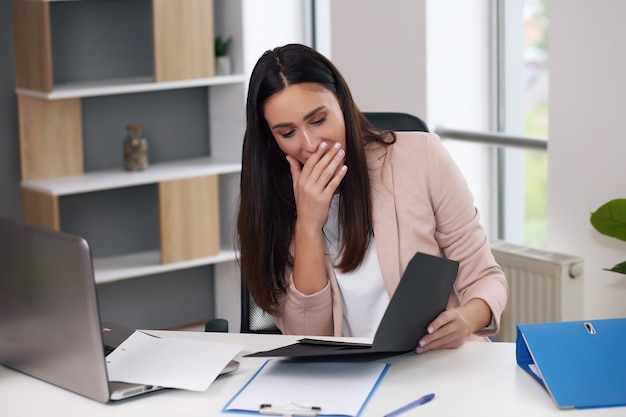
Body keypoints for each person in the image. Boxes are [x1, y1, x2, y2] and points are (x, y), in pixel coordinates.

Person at [236, 43, 508, 353]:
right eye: (288, 133)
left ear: (341, 103)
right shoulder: (273, 201)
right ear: (271, 138)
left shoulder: (422, 158)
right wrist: (308, 227)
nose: (310, 144)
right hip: (343, 379)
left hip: (434, 365)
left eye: (318, 120)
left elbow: (487, 278)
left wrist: (466, 319)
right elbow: (306, 338)